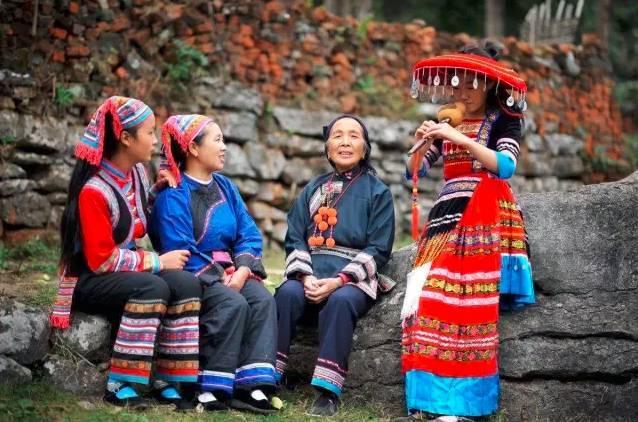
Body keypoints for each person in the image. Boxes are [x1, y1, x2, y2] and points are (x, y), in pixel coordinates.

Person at [400, 43, 536, 421]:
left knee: (468, 304)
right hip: (447, 213)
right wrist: (424, 142)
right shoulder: (445, 122)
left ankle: (462, 406)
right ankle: (427, 401)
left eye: (472, 85)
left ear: (490, 85)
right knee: (425, 299)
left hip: (485, 212)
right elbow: (411, 173)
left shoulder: (506, 118)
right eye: (456, 85)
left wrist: (460, 140)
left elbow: (505, 166)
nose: (462, 93)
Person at [50, 96, 201, 408]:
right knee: (154, 285)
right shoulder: (94, 191)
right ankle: (122, 382)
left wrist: (159, 187)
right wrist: (158, 261)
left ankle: (169, 376)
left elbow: (135, 217)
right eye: (149, 132)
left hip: (123, 272)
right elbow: (102, 259)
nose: (155, 140)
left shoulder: (136, 174)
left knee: (186, 283)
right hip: (91, 279)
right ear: (125, 138)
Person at [149, 115, 278, 414]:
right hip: (193, 276)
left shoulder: (225, 187)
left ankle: (252, 385)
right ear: (193, 148)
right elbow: (178, 248)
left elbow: (248, 232)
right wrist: (221, 277)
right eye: (217, 140)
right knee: (232, 303)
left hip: (233, 271)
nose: (224, 147)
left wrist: (244, 268)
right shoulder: (174, 194)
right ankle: (209, 386)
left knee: (261, 299)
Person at [275, 115, 395, 417]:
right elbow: (294, 237)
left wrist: (339, 280)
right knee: (287, 294)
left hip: (352, 278)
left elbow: (379, 249)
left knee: (340, 302)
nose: (345, 142)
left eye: (353, 136)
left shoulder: (377, 192)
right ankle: (269, 376)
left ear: (365, 147)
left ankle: (327, 392)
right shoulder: (312, 189)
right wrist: (304, 276)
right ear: (327, 147)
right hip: (310, 273)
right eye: (338, 135)